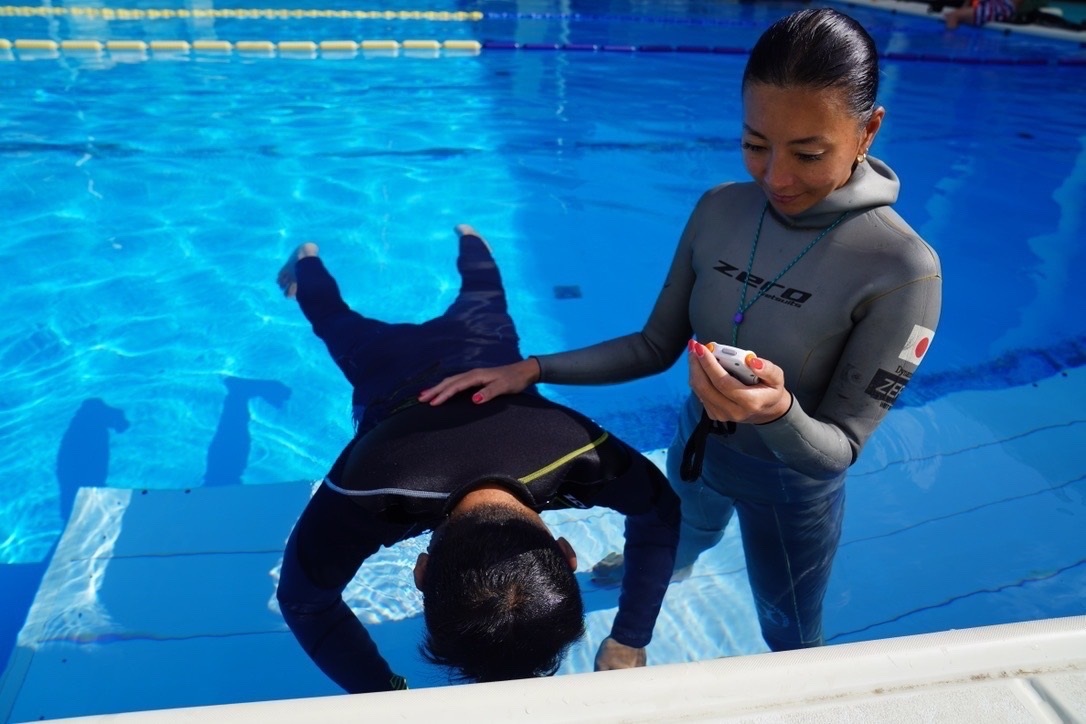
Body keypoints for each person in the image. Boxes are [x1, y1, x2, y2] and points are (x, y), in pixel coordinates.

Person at [419, 8, 942, 654]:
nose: (776, 177)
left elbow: (840, 448)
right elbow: (653, 346)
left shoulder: (902, 270)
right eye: (755, 144)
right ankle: (670, 562)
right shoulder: (721, 208)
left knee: (792, 635)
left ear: (869, 130)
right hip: (693, 453)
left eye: (809, 153)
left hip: (789, 494)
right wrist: (532, 369)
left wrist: (777, 411)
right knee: (680, 533)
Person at [274, 227, 680, 693]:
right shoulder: (368, 485)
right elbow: (302, 604)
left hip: (477, 349)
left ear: (568, 556)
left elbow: (664, 511)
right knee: (334, 318)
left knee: (478, 293)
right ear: (422, 571)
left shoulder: (582, 453)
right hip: (391, 368)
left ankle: (458, 240)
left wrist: (382, 692)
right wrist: (629, 637)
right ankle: (314, 258)